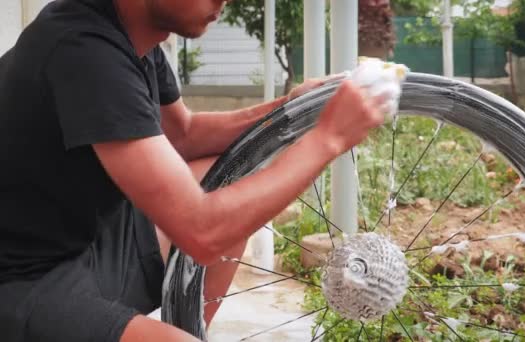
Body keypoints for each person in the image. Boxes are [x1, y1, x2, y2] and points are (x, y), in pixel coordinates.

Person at [0, 0, 388, 341]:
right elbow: (202, 231)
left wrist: (287, 108)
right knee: (212, 220)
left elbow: (183, 134)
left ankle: (182, 330)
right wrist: (329, 138)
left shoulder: (136, 37)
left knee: (230, 178)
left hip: (88, 247)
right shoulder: (84, 49)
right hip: (21, 279)